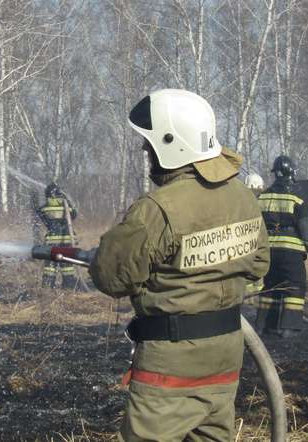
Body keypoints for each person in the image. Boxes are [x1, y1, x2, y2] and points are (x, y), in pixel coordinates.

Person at [89, 89, 270, 441]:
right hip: (225, 356)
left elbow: (110, 277)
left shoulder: (157, 209)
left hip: (171, 362)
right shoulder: (243, 197)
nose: (146, 151)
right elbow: (259, 264)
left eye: (150, 144)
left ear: (171, 144)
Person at [256, 155, 308, 338]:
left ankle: (264, 326)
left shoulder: (261, 197)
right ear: (291, 173)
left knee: (271, 286)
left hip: (267, 252)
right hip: (290, 253)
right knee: (294, 286)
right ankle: (289, 327)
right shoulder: (298, 200)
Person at [37, 182, 78, 289]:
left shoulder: (44, 208)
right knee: (67, 264)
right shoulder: (67, 207)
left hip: (52, 241)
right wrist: (67, 200)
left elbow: (41, 215)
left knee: (50, 265)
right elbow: (74, 215)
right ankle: (69, 286)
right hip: (67, 240)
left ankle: (48, 286)